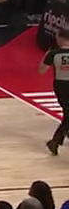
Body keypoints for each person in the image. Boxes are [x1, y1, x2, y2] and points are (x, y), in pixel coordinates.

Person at [38, 27, 69, 155]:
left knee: (67, 112)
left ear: (60, 38)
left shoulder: (53, 53)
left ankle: (56, 140)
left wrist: (47, 56)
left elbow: (41, 70)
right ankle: (56, 140)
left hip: (61, 85)